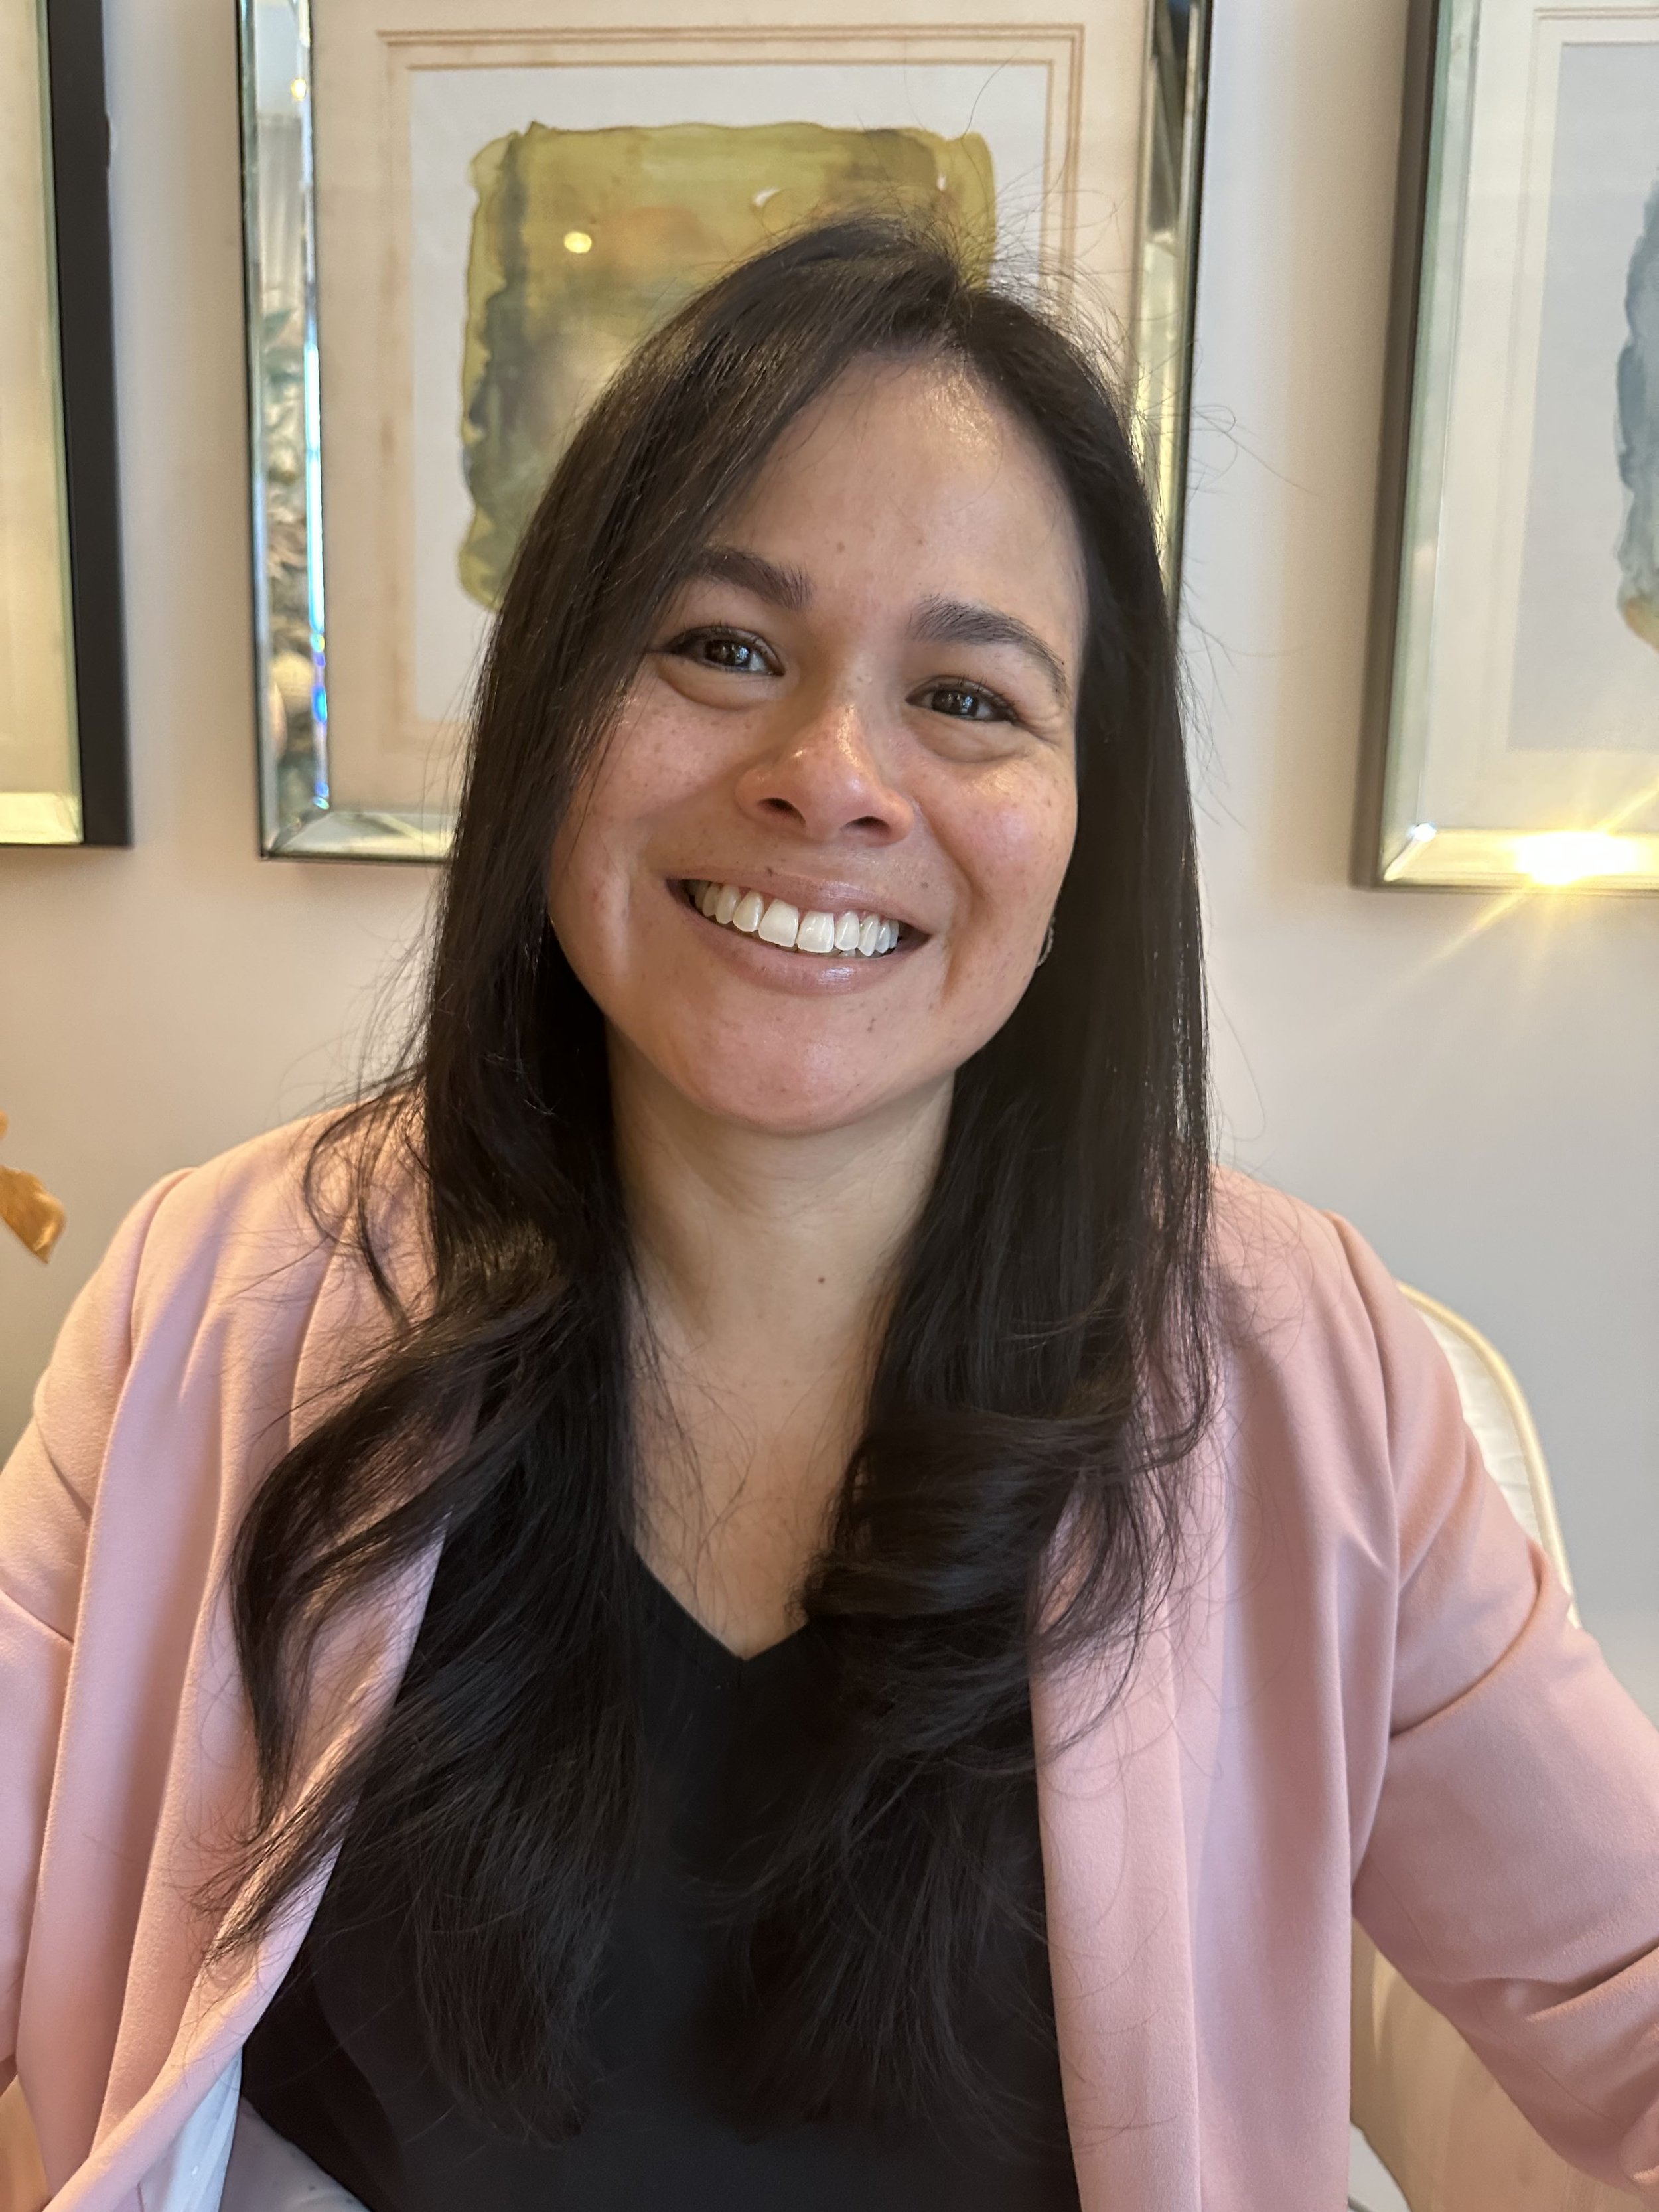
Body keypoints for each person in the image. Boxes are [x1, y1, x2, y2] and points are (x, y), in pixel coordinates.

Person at [3, 217, 1658, 2212]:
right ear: (553, 724)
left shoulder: (1305, 1373)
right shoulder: (226, 1298)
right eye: (722, 649)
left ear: (1083, 820)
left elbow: (1622, 1998)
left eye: (968, 698)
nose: (831, 778)